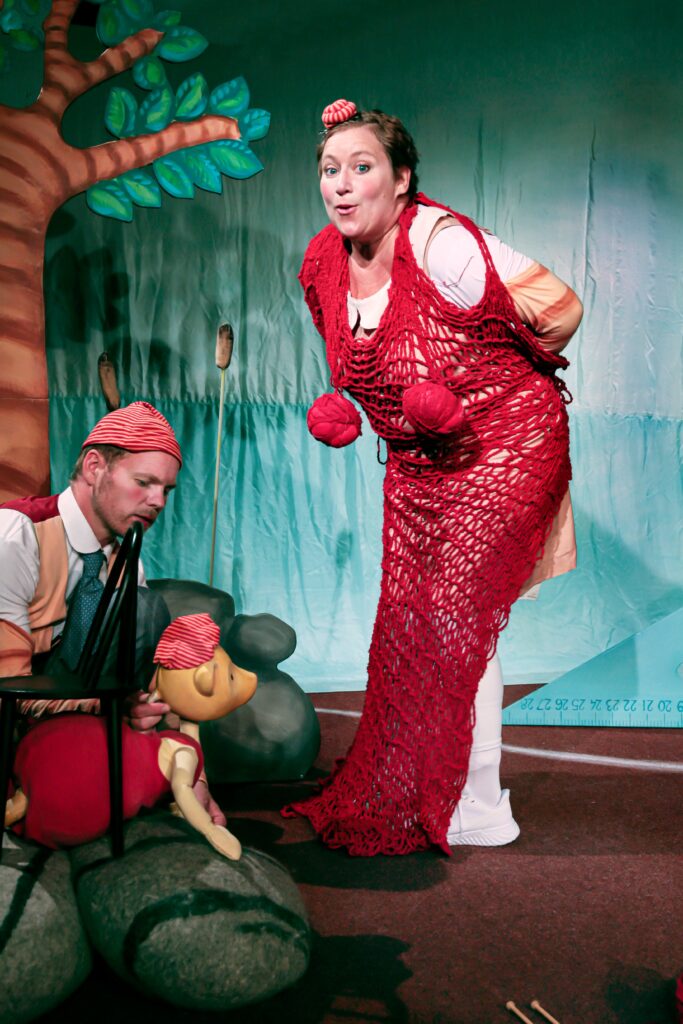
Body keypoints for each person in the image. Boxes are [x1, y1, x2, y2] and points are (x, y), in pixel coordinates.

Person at [283, 100, 583, 856]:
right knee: (413, 619)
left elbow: (560, 310)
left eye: (361, 167)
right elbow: (363, 356)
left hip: (504, 439)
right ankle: (438, 783)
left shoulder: (440, 244)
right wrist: (354, 407)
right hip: (421, 456)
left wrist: (476, 377)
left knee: (455, 614)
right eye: (329, 169)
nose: (341, 184)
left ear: (401, 179)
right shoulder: (323, 262)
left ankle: (478, 802)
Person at [0, 400, 225, 824]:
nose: (158, 501)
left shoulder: (128, 565)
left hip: (79, 716)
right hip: (15, 716)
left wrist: (195, 777)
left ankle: (119, 770)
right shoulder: (15, 535)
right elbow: (5, 683)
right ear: (94, 467)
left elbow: (156, 686)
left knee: (145, 608)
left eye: (167, 490)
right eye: (144, 482)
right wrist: (103, 706)